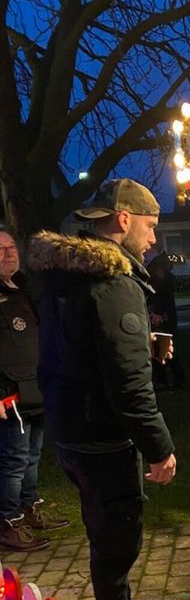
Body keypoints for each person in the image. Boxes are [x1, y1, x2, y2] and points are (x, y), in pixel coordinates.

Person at [28, 178, 176, 600]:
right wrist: (159, 448)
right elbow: (129, 386)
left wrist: (140, 341)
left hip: (70, 425)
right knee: (117, 532)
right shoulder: (114, 283)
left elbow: (82, 348)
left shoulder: (67, 275)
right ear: (124, 219)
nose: (153, 239)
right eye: (150, 227)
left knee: (101, 523)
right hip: (102, 433)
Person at [0, 230, 69, 551]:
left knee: (32, 455)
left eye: (11, 247)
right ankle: (8, 522)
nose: (8, 253)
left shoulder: (25, 288)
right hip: (9, 392)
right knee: (13, 460)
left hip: (37, 387)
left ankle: (29, 509)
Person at [146, 248, 185, 389]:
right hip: (164, 315)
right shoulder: (159, 265)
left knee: (163, 346)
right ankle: (170, 379)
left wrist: (157, 312)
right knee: (161, 346)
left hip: (162, 317)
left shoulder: (158, 266)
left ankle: (170, 379)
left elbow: (160, 292)